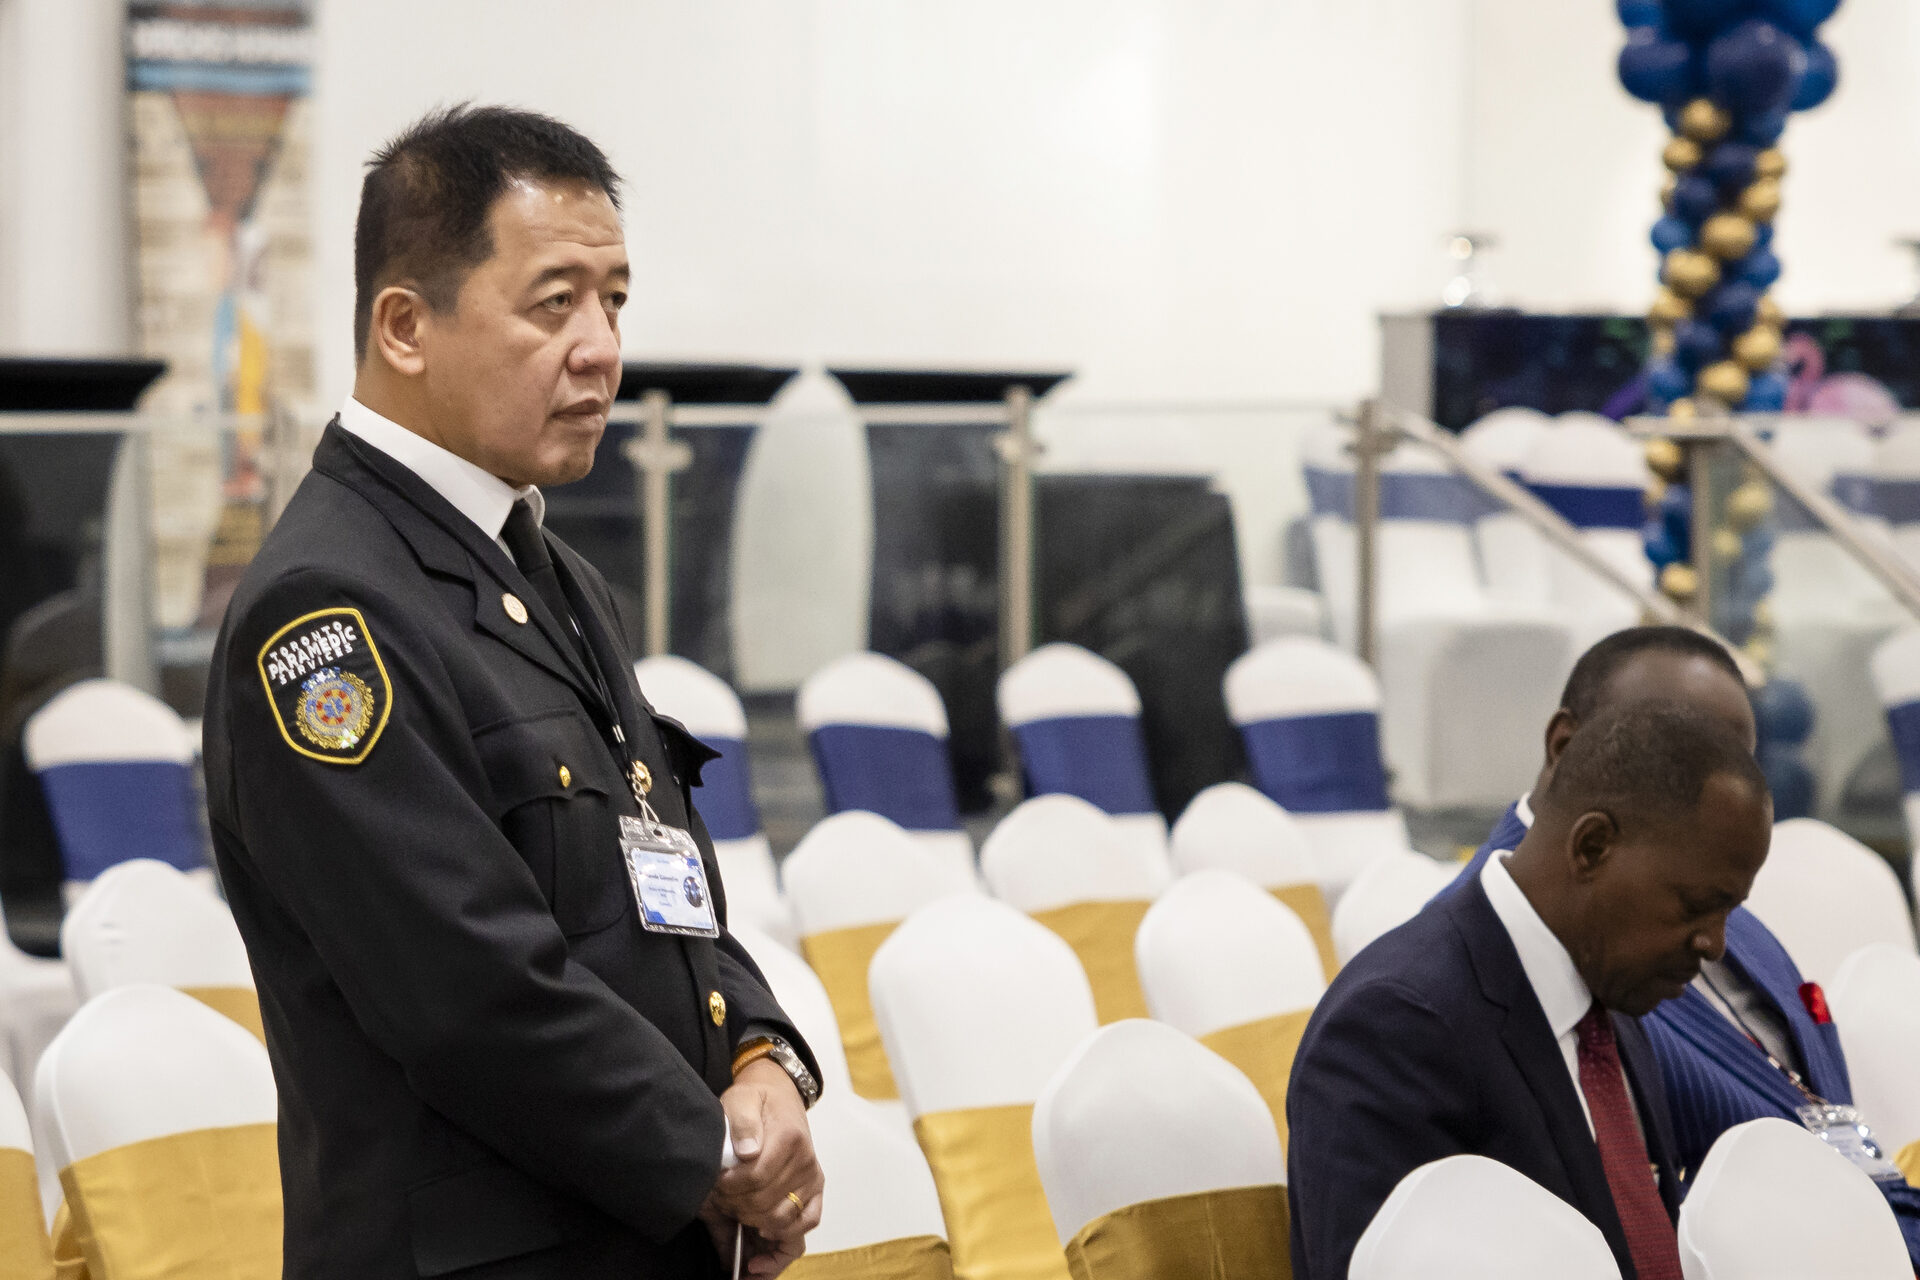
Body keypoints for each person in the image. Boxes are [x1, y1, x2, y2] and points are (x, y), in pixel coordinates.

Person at [202, 105, 822, 1280]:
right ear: (405, 326)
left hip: (634, 1224)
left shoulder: (555, 574)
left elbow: (662, 885)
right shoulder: (326, 613)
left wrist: (759, 1057)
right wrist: (714, 1157)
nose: (601, 349)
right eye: (554, 304)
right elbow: (464, 986)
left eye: (615, 302)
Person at [1444, 625, 1920, 1265]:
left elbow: (1832, 1125)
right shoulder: (1508, 951)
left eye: (1734, 764)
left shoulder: (1722, 903)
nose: (1714, 793)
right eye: (1674, 762)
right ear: (1565, 746)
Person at [1287, 700, 1773, 1280]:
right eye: (1696, 905)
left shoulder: (1612, 997)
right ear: (1591, 846)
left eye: (1729, 911)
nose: (1715, 944)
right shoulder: (1395, 1025)